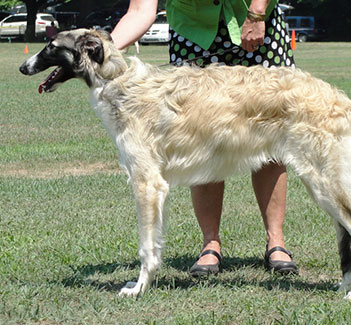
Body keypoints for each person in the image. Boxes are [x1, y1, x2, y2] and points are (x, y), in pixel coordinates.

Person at [111, 0, 298, 276]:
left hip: (257, 25)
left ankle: (276, 241)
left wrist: (257, 13)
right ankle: (210, 243)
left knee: (269, 132)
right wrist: (102, 52)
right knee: (201, 139)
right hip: (194, 35)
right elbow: (140, 11)